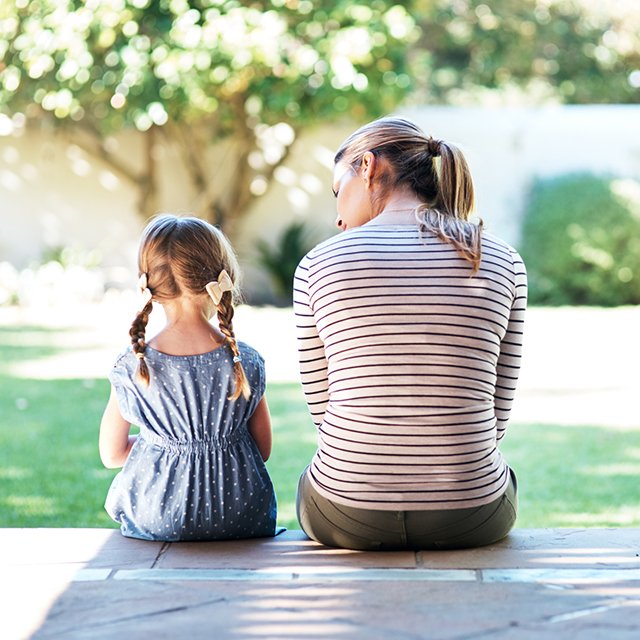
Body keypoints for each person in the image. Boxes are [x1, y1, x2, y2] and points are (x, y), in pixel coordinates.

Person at [293, 116, 527, 551]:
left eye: (336, 190)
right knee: (502, 475)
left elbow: (323, 412)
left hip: (347, 514)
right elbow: (497, 413)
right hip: (471, 514)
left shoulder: (318, 264)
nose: (337, 215)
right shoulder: (500, 259)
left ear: (366, 166)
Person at [99, 214, 277, 541]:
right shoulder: (246, 361)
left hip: (157, 517)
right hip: (241, 516)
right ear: (222, 277)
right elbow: (262, 449)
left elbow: (112, 455)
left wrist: (162, 442)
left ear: (149, 284)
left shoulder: (133, 365)